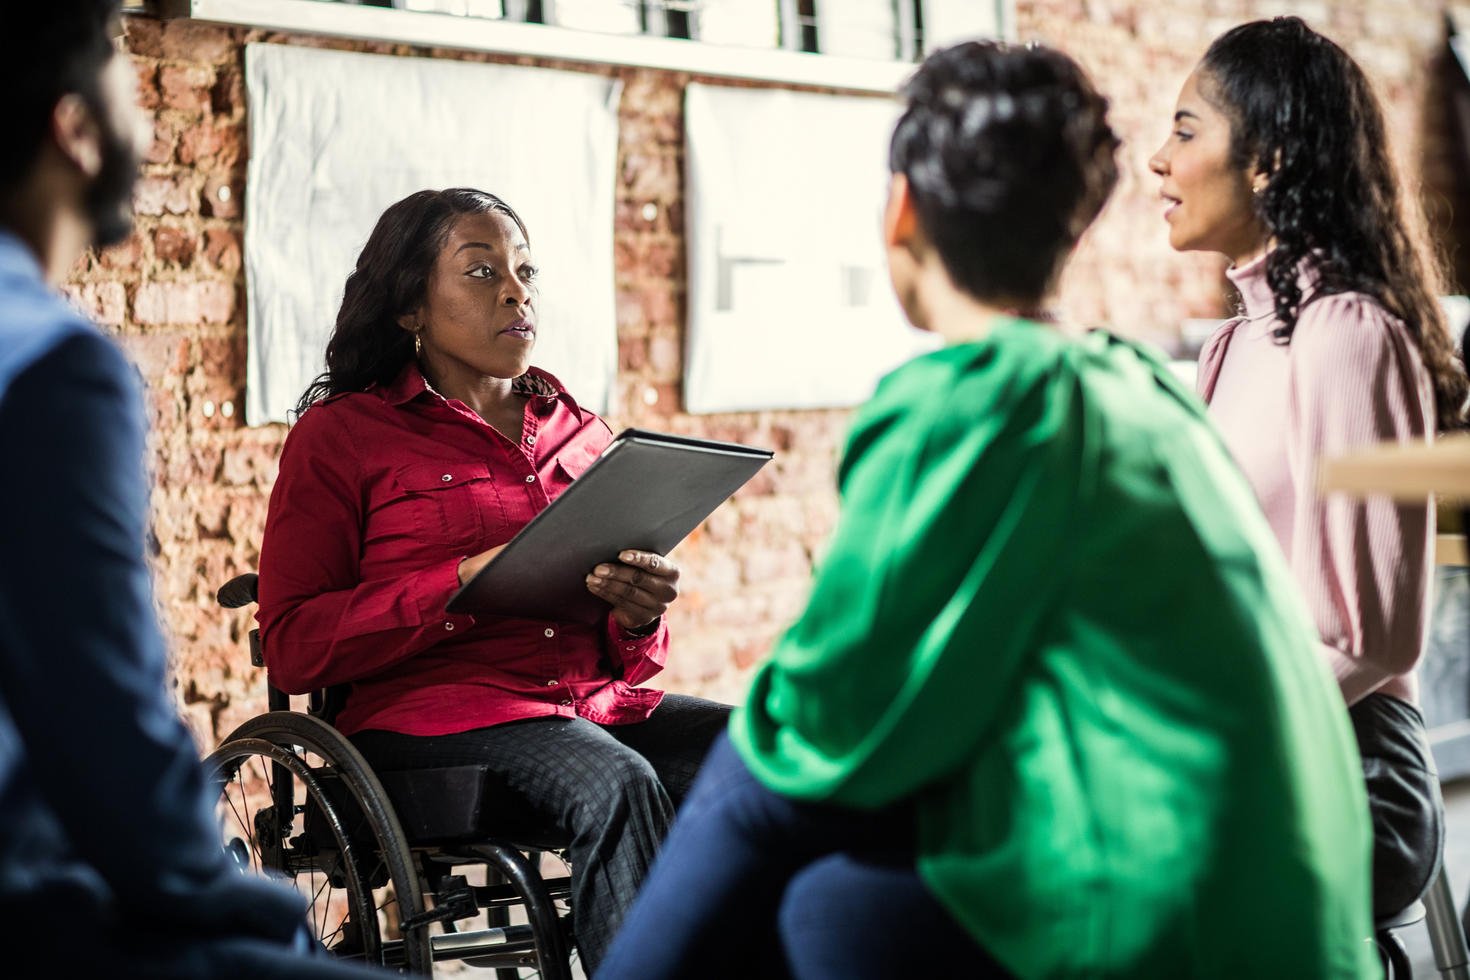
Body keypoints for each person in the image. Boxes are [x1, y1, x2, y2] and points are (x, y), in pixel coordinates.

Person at [596, 40, 1378, 980]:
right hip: (1301, 917)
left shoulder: (973, 398)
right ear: (1075, 224)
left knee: (774, 799)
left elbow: (820, 719)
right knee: (836, 893)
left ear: (902, 211)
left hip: (1172, 917)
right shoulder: (1141, 387)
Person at [0, 3, 384, 977]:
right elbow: (101, 730)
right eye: (128, 87)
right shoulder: (48, 366)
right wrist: (242, 902)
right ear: (74, 129)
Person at [255, 187, 732, 971]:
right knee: (615, 785)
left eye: (524, 271)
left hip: (585, 703)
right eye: (481, 272)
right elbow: (296, 646)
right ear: (411, 307)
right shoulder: (342, 437)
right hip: (434, 721)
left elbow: (633, 662)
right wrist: (457, 581)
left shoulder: (584, 434)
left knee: (764, 755)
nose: (516, 290)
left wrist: (639, 618)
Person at [1149, 15, 1467, 921]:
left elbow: (1373, 641)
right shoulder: (1235, 342)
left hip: (1350, 765)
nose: (1156, 162)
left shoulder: (1347, 334)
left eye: (1183, 129)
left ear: (1269, 160)